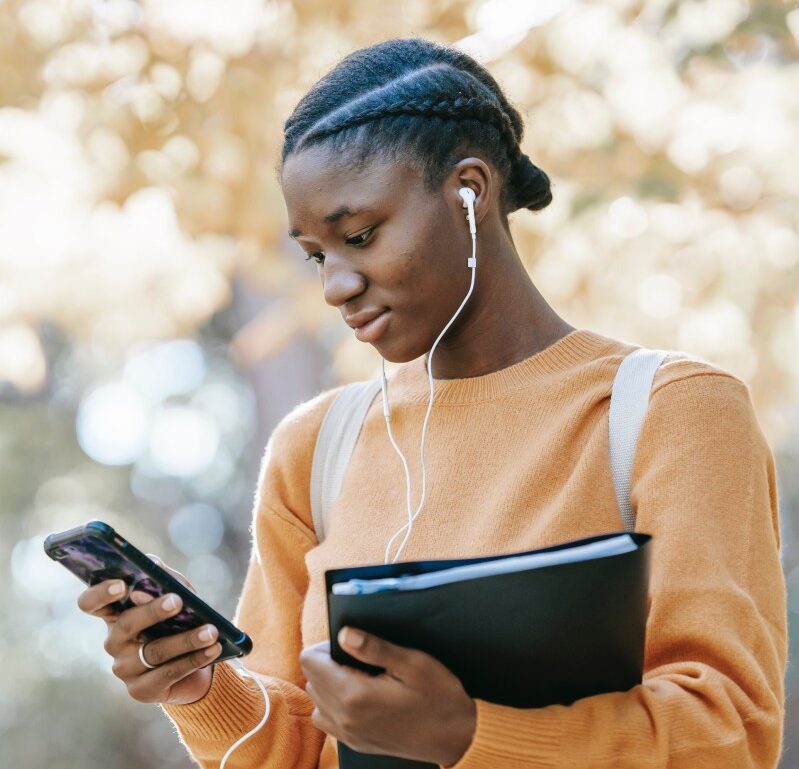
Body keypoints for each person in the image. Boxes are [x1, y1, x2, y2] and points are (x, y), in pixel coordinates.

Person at [77, 37, 787, 769]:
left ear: (469, 191)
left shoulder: (670, 413)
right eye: (318, 254)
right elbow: (288, 750)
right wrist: (202, 686)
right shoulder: (316, 449)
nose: (335, 286)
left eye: (360, 236)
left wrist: (466, 733)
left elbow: (727, 734)